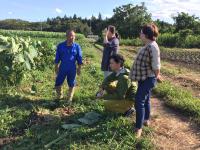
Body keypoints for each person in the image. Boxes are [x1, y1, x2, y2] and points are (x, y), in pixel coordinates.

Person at [129, 23, 162, 138]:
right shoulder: (148, 45)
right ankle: (146, 119)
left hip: (149, 78)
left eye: (141, 32)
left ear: (146, 35)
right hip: (144, 77)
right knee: (146, 98)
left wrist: (157, 76)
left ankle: (138, 128)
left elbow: (156, 65)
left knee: (139, 100)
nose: (140, 34)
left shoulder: (152, 46)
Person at [54, 30, 83, 103]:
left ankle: (69, 98)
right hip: (62, 67)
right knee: (58, 82)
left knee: (71, 83)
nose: (72, 37)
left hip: (72, 68)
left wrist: (79, 68)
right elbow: (57, 57)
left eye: (73, 36)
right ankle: (59, 95)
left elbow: (79, 58)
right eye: (70, 35)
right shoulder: (61, 46)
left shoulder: (77, 46)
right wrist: (56, 66)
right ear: (66, 36)